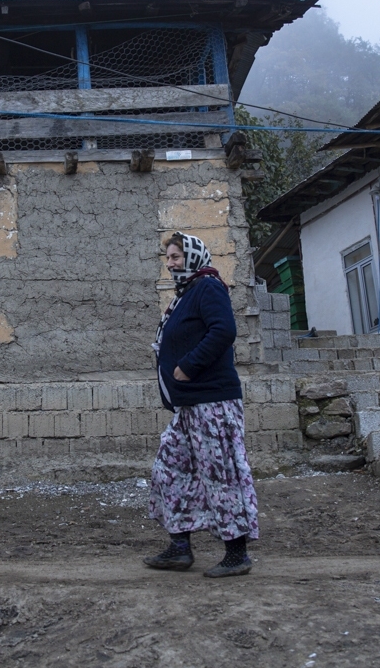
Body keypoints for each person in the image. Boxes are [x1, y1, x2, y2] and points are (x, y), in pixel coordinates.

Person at [144, 232, 259, 578]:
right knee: (170, 469)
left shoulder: (208, 286)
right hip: (189, 407)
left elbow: (223, 330)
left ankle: (236, 554)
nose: (171, 263)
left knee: (221, 474)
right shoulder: (186, 294)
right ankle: (180, 549)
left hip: (213, 403)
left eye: (177, 256)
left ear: (193, 256)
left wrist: (188, 365)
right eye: (168, 258)